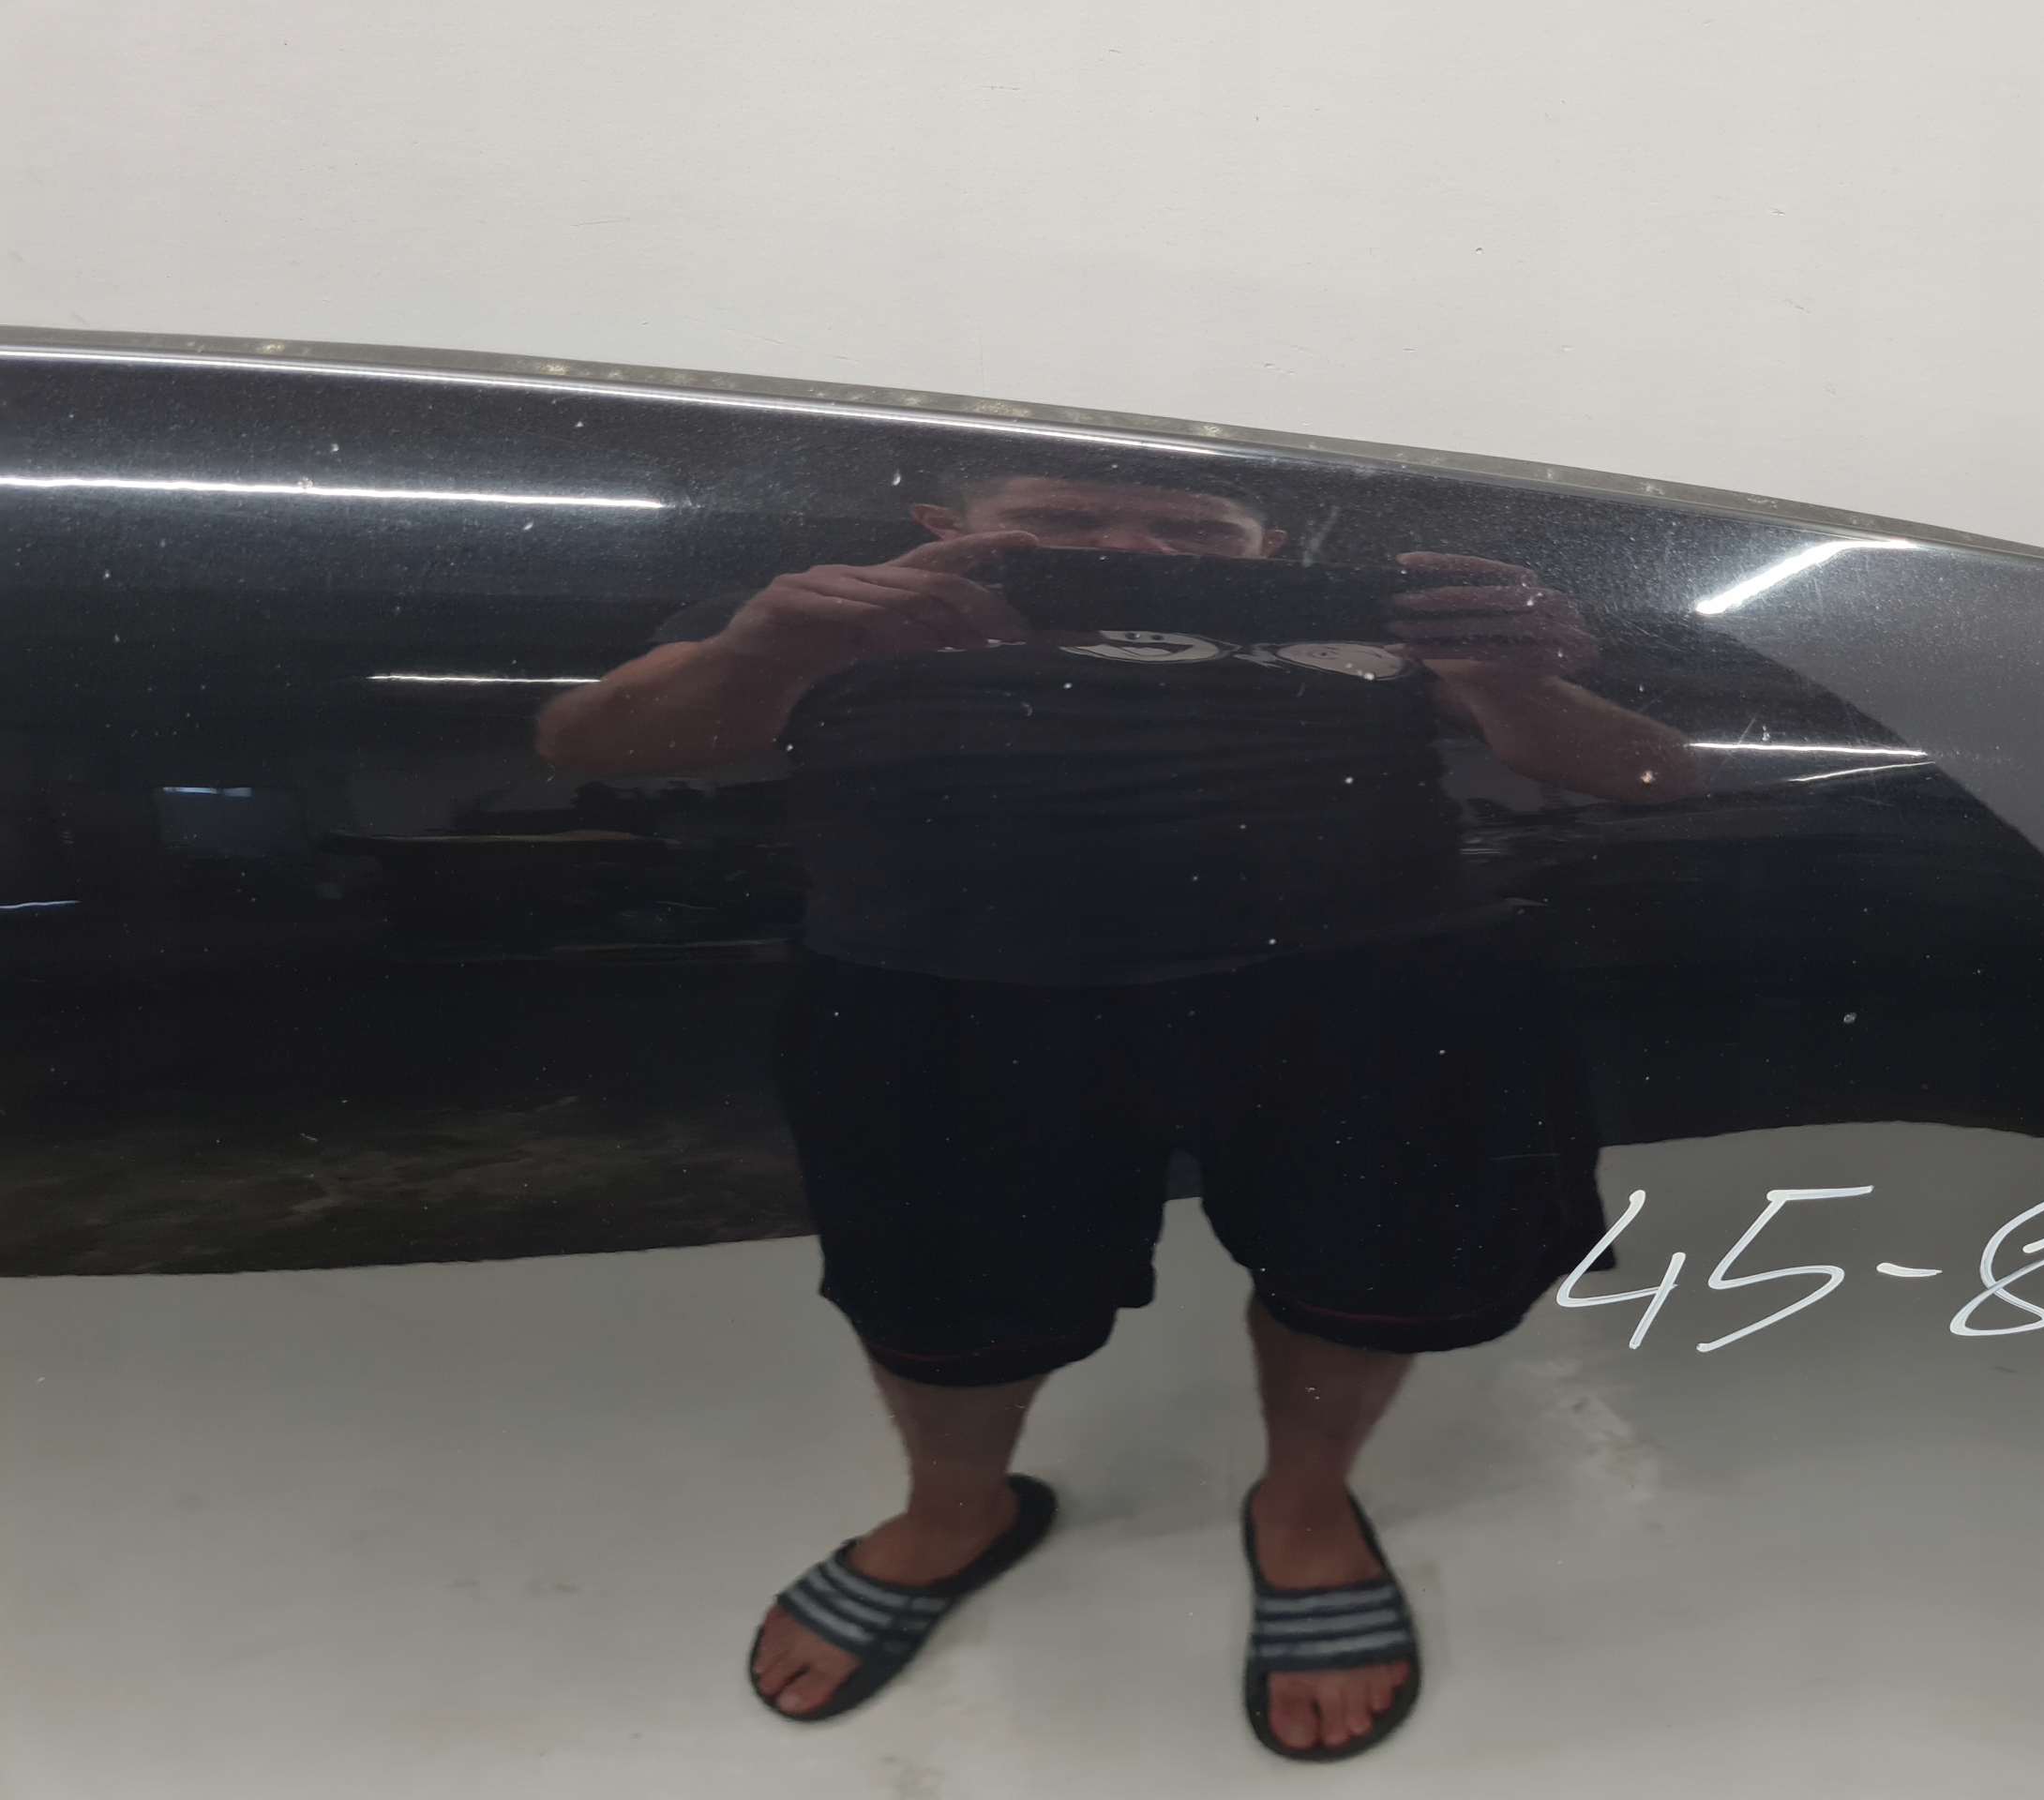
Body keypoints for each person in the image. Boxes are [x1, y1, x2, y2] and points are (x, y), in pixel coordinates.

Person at [537, 464, 1696, 1758]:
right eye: (1062, 523)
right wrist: (768, 646)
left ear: (1268, 548)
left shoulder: (1384, 630)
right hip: (947, 994)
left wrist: (1509, 678)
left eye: (1194, 529)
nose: (1135, 545)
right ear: (948, 530)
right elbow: (590, 746)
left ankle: (1305, 1506)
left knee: (1370, 1279)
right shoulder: (849, 609)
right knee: (940, 1297)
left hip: (1373, 983)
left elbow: (1655, 776)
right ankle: (952, 1513)